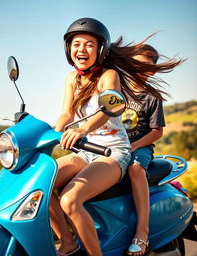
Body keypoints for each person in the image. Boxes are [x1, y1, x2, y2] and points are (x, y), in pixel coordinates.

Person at [50, 18, 183, 256]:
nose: (81, 49)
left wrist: (82, 130)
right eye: (76, 43)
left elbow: (110, 108)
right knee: (40, 186)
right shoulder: (72, 78)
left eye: (89, 44)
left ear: (100, 50)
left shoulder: (109, 76)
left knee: (69, 200)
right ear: (68, 49)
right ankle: (68, 246)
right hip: (85, 151)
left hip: (113, 152)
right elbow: (66, 113)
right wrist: (51, 133)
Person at [121, 44, 165, 256]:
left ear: (152, 71)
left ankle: (142, 231)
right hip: (115, 147)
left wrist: (135, 145)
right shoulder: (117, 92)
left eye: (144, 66)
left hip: (141, 146)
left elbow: (157, 131)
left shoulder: (152, 96)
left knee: (135, 169)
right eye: (134, 64)